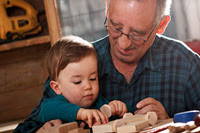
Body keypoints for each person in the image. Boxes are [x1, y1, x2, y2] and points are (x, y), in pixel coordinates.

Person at [14, 0, 200, 132]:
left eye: (137, 34)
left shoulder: (185, 63)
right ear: (107, 10)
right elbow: (25, 129)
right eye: (116, 27)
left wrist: (170, 122)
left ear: (161, 25)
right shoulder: (74, 65)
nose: (124, 44)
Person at [37, 35, 128, 129]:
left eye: (92, 79)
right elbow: (46, 111)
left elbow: (133, 113)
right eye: (77, 82)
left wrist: (120, 108)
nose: (88, 86)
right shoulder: (54, 105)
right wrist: (81, 113)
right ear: (57, 88)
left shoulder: (99, 103)